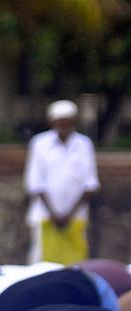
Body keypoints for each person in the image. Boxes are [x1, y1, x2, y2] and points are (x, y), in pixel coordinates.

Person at [24, 100, 100, 265]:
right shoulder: (40, 143)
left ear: (74, 121)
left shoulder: (83, 144)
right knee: (42, 261)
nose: (63, 124)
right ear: (52, 121)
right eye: (60, 120)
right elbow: (35, 182)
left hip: (75, 217)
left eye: (67, 120)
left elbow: (90, 183)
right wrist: (54, 214)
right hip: (45, 215)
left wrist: (68, 214)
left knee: (76, 262)